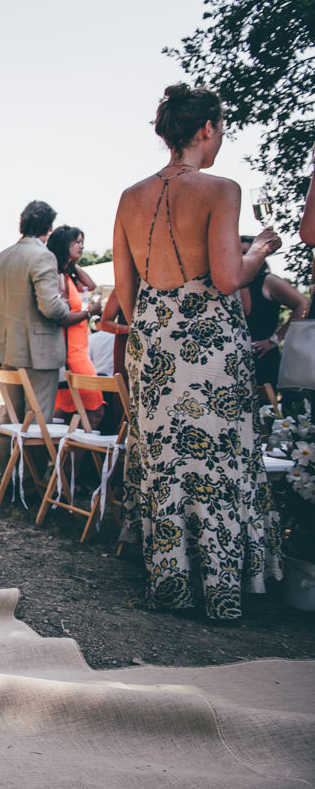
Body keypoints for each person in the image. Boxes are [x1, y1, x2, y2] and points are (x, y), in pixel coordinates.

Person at [112, 82, 282, 621]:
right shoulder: (221, 190)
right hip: (208, 344)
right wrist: (259, 249)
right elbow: (229, 278)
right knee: (218, 463)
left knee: (168, 462)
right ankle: (223, 588)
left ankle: (171, 583)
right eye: (222, 128)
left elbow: (125, 292)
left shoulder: (128, 197)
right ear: (207, 129)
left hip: (154, 342)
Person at [0, 200, 84, 423]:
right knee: (37, 422)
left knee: (12, 418)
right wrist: (69, 305)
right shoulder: (43, 257)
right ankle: (33, 461)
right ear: (49, 228)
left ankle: (5, 460)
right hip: (39, 353)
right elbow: (51, 308)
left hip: (7, 347)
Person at [47, 225, 105, 425]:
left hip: (80, 350)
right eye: (76, 241)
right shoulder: (58, 277)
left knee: (67, 413)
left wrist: (70, 262)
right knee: (94, 412)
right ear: (64, 244)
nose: (81, 245)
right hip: (73, 355)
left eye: (82, 241)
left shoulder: (67, 275)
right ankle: (69, 455)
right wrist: (89, 313)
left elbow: (91, 286)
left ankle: (63, 456)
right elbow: (61, 317)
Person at [239, 246, 309, 388]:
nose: (241, 257)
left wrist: (275, 339)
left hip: (261, 356)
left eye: (246, 253)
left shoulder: (268, 281)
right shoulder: (230, 283)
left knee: (265, 407)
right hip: (234, 358)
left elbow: (304, 305)